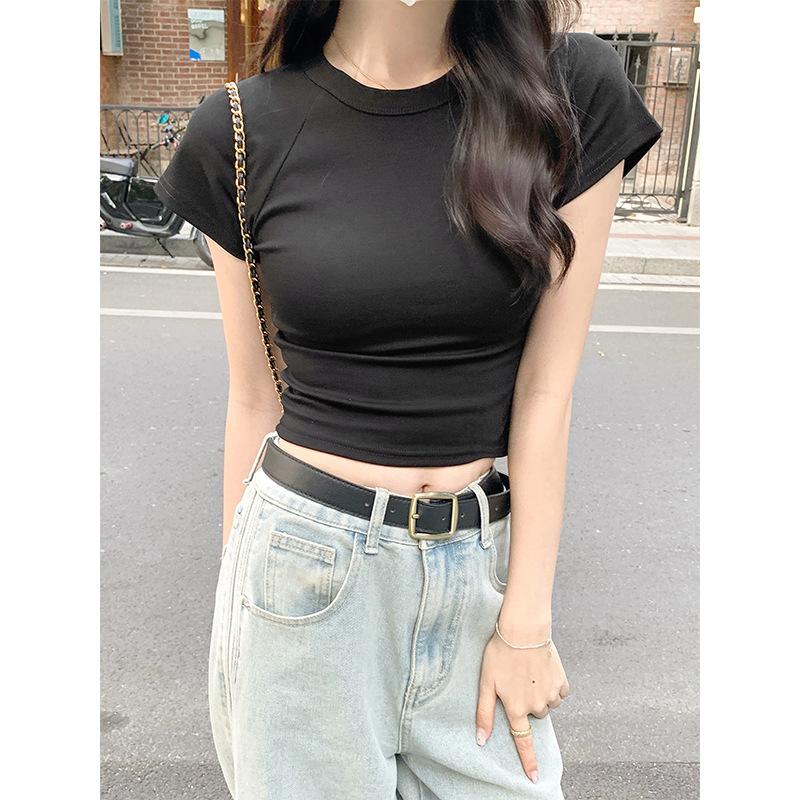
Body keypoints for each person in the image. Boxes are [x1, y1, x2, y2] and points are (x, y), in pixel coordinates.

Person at [154, 1, 662, 797]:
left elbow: (547, 387)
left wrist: (527, 620)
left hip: (479, 575)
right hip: (301, 576)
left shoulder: (565, 92)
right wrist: (239, 607)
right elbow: (254, 396)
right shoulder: (243, 130)